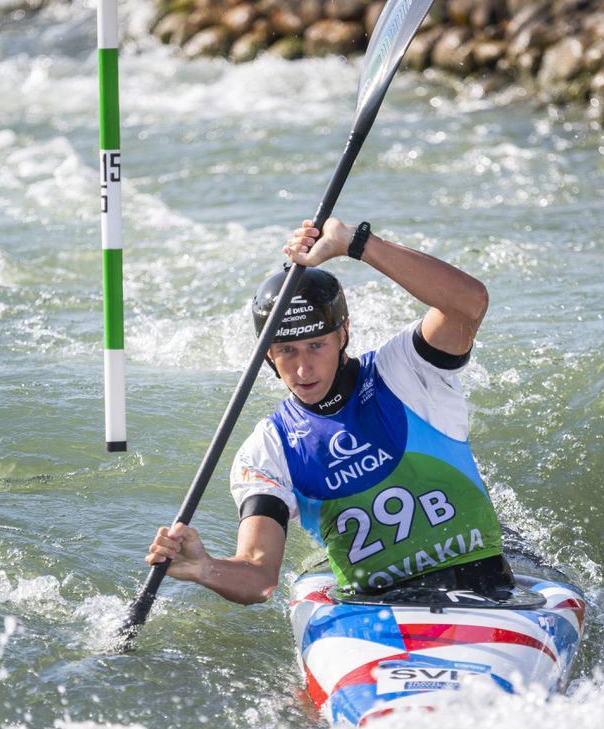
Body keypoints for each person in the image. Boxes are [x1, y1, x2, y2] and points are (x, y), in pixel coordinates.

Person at [145, 217, 513, 604]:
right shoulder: (268, 450)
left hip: (488, 587)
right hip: (375, 607)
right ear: (267, 354)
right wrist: (205, 568)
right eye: (287, 350)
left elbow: (469, 304)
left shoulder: (404, 370)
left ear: (343, 333)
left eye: (316, 346)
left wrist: (356, 243)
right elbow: (259, 579)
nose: (303, 369)